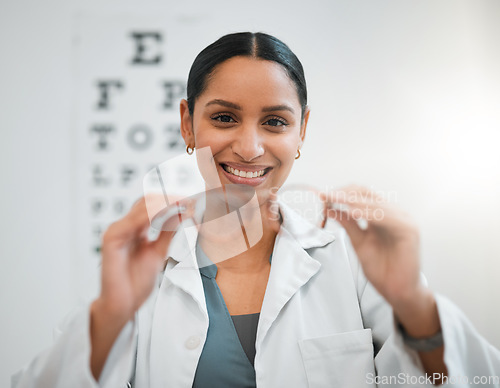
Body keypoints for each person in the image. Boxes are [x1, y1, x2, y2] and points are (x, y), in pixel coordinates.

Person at [12, 32, 500, 388]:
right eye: (224, 117)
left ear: (301, 131)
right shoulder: (144, 268)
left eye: (275, 122)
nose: (249, 147)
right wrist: (111, 316)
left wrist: (414, 305)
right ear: (188, 123)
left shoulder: (349, 258)